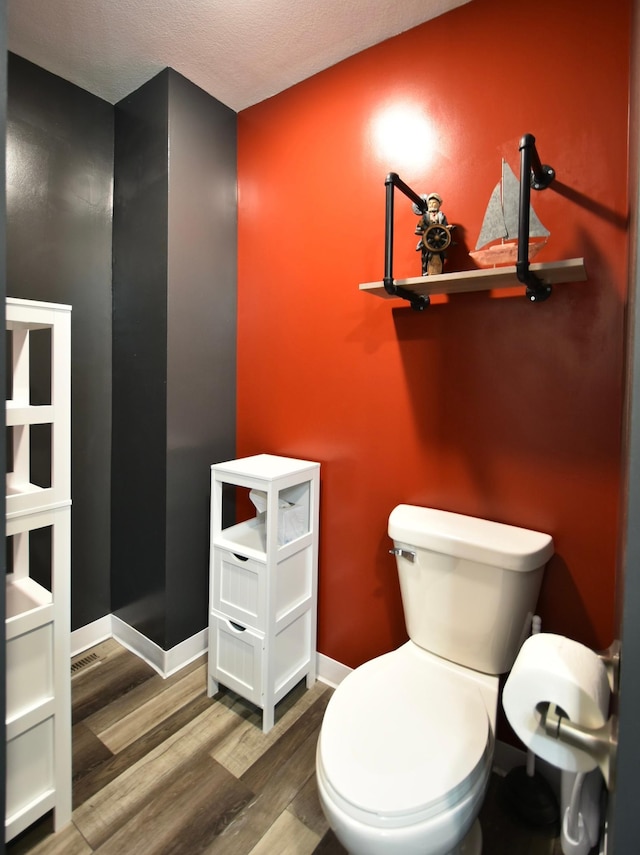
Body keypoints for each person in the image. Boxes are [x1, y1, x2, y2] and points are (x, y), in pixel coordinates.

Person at [413, 193, 453, 276]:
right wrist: (424, 231)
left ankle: (438, 271)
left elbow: (444, 227)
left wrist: (447, 228)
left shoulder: (441, 216)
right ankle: (426, 272)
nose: (432, 205)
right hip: (428, 242)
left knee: (440, 256)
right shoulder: (425, 217)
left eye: (434, 203)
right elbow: (418, 230)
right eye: (430, 203)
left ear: (438, 204)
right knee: (426, 256)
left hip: (439, 245)